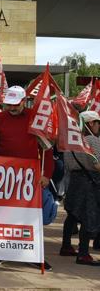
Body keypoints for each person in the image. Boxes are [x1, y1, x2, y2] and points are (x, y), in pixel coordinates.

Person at [0, 85, 54, 271]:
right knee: (4, 215)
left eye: (15, 105)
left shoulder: (35, 118)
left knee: (32, 217)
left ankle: (35, 254)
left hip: (30, 177)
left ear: (24, 101)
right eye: (8, 104)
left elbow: (47, 149)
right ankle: (0, 251)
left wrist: (46, 174)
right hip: (5, 176)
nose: (11, 108)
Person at [60, 111, 100, 265]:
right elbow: (96, 164)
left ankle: (66, 245)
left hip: (75, 181)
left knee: (72, 215)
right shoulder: (93, 141)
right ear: (91, 123)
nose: (98, 126)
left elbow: (68, 165)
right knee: (88, 217)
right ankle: (83, 253)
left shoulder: (71, 142)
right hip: (91, 182)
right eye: (98, 123)